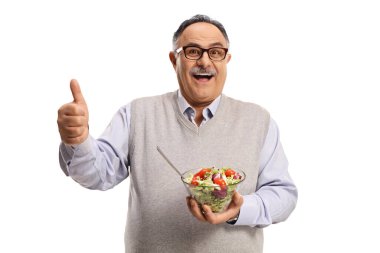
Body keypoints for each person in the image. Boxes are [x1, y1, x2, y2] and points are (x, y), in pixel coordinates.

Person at [57, 14, 297, 253]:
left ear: (227, 60)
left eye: (215, 52)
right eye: (193, 51)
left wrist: (239, 209)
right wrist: (77, 140)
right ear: (174, 60)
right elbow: (97, 175)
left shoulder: (258, 120)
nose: (205, 61)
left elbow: (283, 195)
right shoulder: (137, 114)